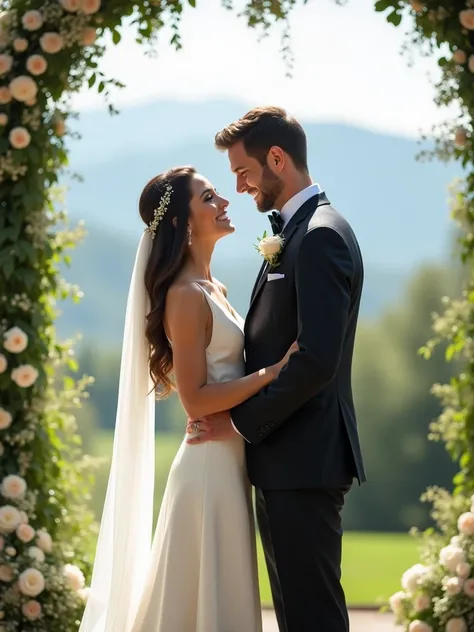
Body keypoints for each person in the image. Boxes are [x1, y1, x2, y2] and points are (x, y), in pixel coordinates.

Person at [79, 165, 297, 632]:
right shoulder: (183, 296)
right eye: (209, 198)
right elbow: (195, 401)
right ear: (181, 222)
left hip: (230, 458)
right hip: (208, 469)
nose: (224, 203)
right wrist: (271, 374)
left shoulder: (214, 289)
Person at [186, 106, 366, 632]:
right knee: (296, 613)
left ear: (278, 159)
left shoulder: (321, 235)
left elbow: (316, 361)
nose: (238, 187)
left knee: (312, 615)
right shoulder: (299, 231)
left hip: (305, 458)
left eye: (242, 172)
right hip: (287, 458)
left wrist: (240, 423)